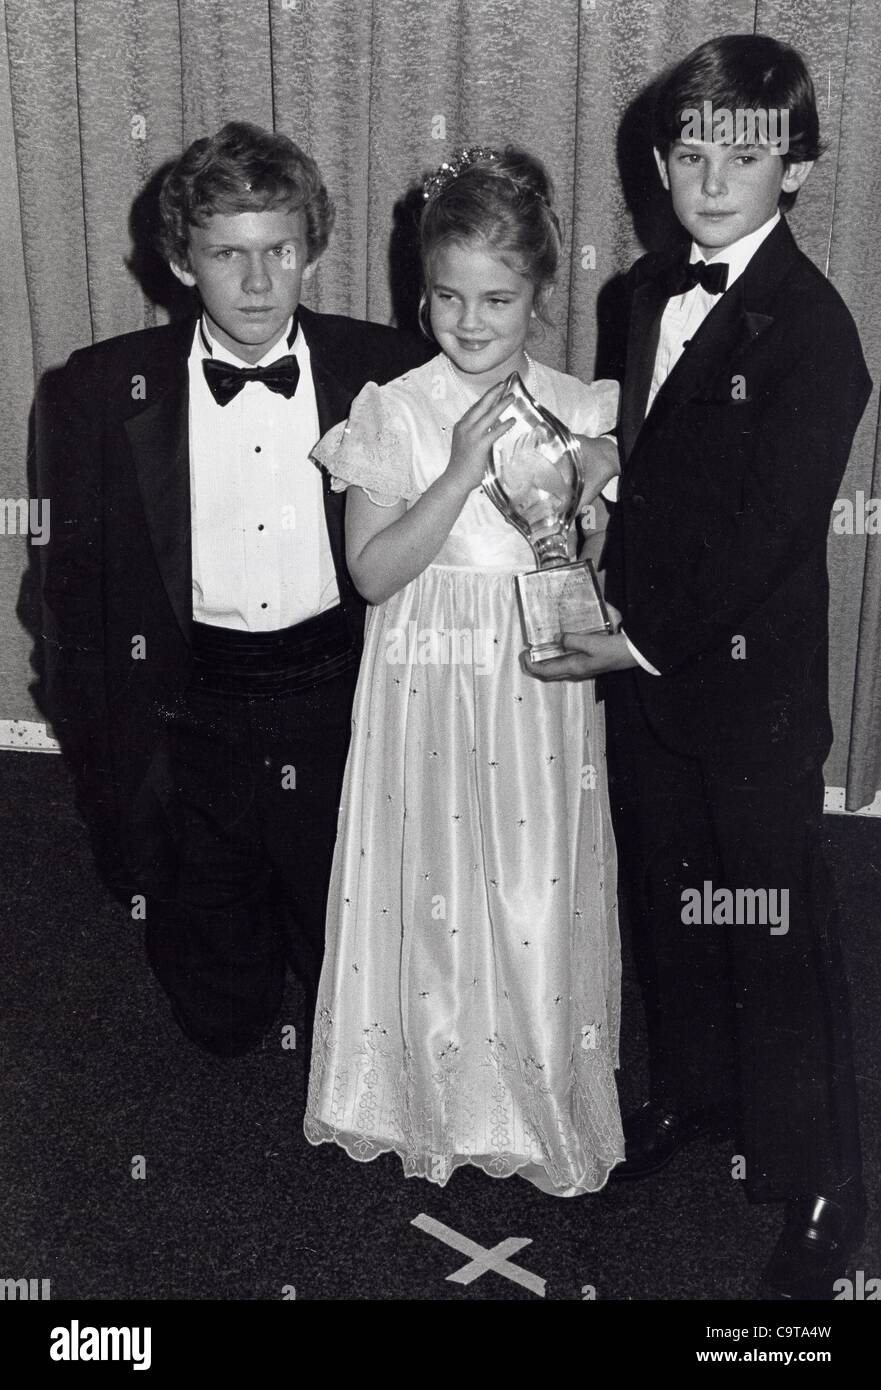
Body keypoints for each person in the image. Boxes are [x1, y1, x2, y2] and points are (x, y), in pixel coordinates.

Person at [530, 36, 871, 1296]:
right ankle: (687, 1093)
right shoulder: (638, 296)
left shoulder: (816, 330)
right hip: (647, 674)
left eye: (744, 153)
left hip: (745, 692)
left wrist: (636, 641)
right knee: (668, 897)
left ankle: (822, 1180)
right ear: (659, 165)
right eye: (688, 152)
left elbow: (768, 533)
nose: (710, 176)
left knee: (771, 925)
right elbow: (663, 460)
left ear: (796, 169)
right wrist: (599, 471)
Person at [41, 121, 433, 1058]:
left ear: (311, 250)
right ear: (181, 262)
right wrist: (104, 756)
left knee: (358, 983)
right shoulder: (97, 391)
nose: (257, 285)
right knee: (222, 1022)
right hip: (191, 706)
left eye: (279, 252)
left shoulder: (385, 370)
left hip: (340, 695)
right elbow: (66, 595)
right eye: (227, 254)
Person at [304, 146, 624, 1196]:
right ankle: (417, 1089)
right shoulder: (392, 409)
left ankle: (530, 1094)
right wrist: (453, 472)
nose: (470, 320)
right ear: (420, 292)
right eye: (447, 296)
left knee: (531, 885)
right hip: (425, 685)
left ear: (538, 294)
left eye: (497, 297)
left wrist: (584, 502)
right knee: (429, 883)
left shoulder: (577, 405)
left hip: (531, 676)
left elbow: (582, 563)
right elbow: (372, 573)